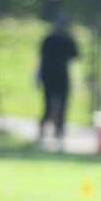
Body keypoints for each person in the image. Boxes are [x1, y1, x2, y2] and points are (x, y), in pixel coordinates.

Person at [36, 14, 79, 147]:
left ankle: (54, 132)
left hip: (51, 75)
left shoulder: (49, 39)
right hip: (57, 75)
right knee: (54, 105)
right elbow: (75, 55)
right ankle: (53, 132)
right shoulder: (65, 39)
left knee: (52, 105)